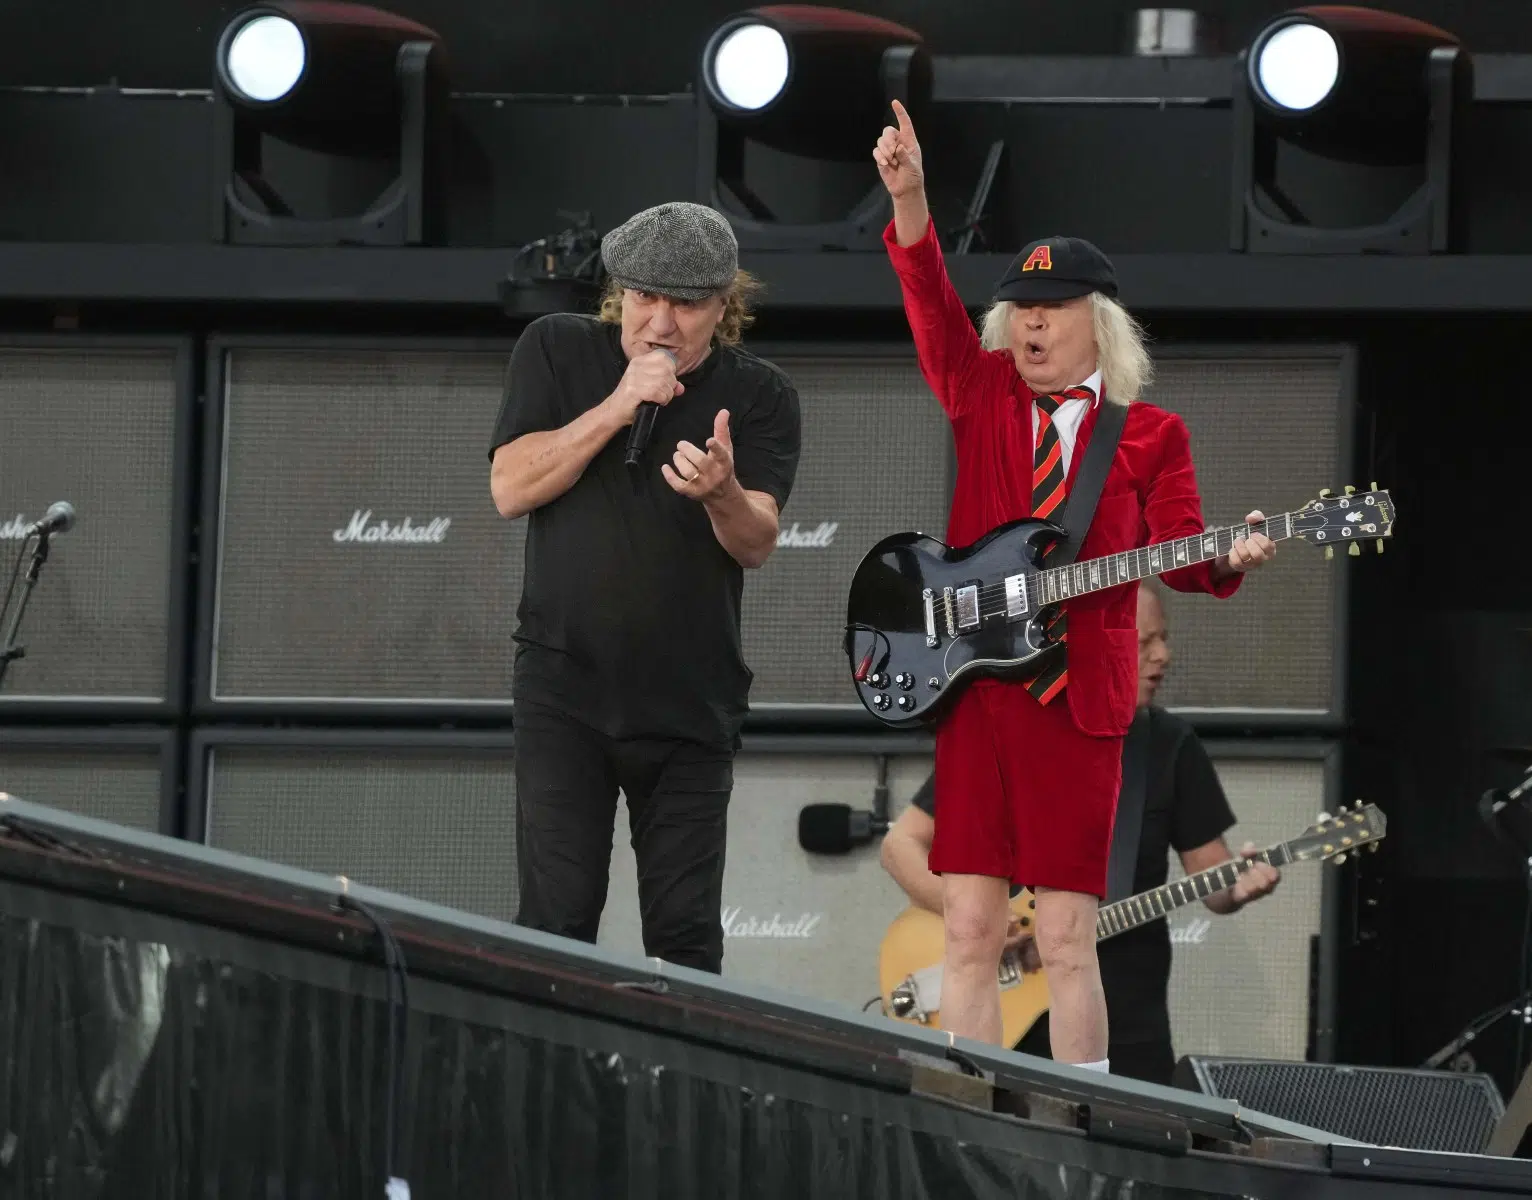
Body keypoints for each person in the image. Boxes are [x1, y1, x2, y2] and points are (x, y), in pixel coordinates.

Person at [873, 101, 1277, 1073]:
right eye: (1019, 310)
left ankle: (1082, 1116)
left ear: (1098, 321)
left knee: (1065, 938)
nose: (1030, 324)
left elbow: (1179, 553)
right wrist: (913, 198)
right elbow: (930, 302)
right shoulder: (980, 397)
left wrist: (1228, 557)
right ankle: (970, 1118)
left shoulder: (1148, 436)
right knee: (970, 927)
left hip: (1080, 706)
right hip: (981, 696)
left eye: (1050, 310)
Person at [488, 201, 802, 972]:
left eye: (685, 304)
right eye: (642, 297)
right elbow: (509, 488)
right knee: (555, 924)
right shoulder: (557, 350)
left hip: (690, 706)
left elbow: (757, 542)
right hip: (566, 690)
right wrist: (618, 404)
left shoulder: (760, 394)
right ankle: (554, 1089)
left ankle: (687, 1094)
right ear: (617, 294)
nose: (659, 323)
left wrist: (724, 491)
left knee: (686, 937)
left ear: (722, 307)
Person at [881, 583, 1281, 1084]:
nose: (1163, 656)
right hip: (1015, 1022)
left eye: (1163, 639)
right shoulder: (1013, 733)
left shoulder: (1170, 746)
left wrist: (1240, 885)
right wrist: (978, 915)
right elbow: (900, 846)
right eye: (1144, 642)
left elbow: (1215, 880)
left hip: (1128, 1023)